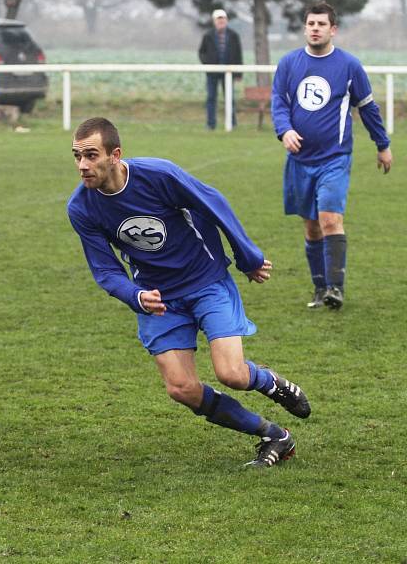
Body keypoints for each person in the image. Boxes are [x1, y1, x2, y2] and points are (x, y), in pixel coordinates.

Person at [67, 117, 311, 468]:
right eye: (77, 156)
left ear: (115, 155)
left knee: (232, 373)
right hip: (159, 299)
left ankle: (271, 383)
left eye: (91, 155)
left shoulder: (158, 176)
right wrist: (136, 296)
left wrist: (248, 257)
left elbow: (213, 203)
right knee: (181, 388)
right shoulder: (81, 207)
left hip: (205, 281)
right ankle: (273, 435)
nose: (82, 166)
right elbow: (105, 269)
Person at [271, 2, 392, 310]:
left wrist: (382, 144)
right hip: (300, 160)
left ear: (332, 29)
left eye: (321, 24)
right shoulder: (289, 63)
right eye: (310, 23)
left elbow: (367, 107)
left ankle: (335, 288)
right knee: (311, 226)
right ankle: (319, 287)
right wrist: (284, 130)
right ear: (305, 27)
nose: (315, 28)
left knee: (329, 219)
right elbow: (279, 102)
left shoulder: (349, 66)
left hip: (334, 158)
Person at [198, 9, 243, 130]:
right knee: (211, 98)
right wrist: (208, 63)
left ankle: (232, 123)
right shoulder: (208, 36)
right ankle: (210, 124)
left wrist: (239, 73)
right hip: (212, 73)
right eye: (219, 19)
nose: (221, 21)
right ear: (214, 21)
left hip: (229, 71)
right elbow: (202, 52)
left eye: (223, 19)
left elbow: (238, 54)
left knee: (230, 99)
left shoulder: (233, 36)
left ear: (226, 20)